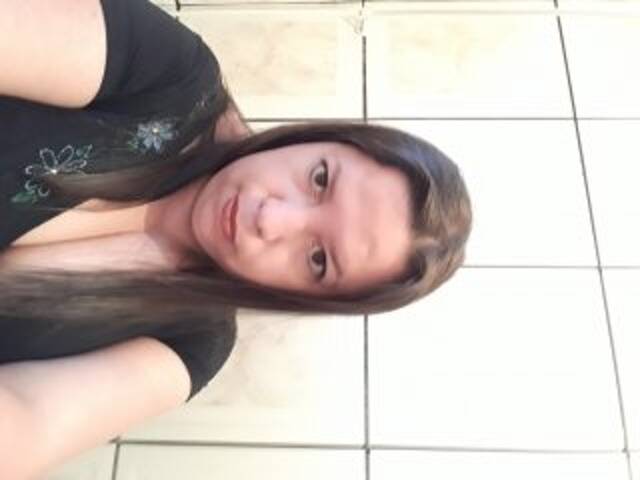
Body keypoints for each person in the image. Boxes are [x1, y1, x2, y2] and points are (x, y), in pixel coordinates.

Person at [0, 0, 472, 478]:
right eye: (320, 178)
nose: (271, 219)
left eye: (317, 259)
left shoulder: (191, 341)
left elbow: (28, 425)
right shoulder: (173, 81)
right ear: (314, 140)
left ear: (305, 296)